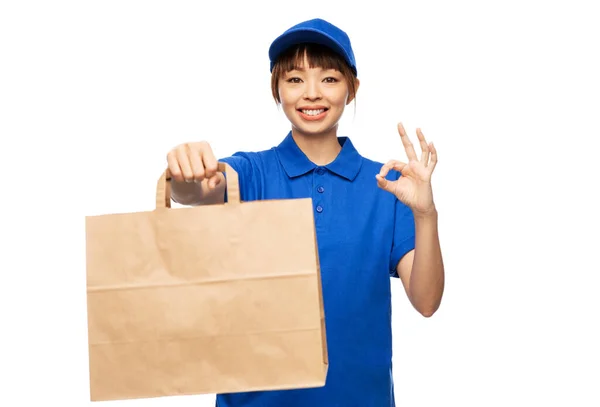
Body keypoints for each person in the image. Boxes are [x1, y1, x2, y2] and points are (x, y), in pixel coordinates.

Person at [166, 18, 444, 407]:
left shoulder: (386, 184)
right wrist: (185, 172)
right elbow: (198, 189)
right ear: (276, 90)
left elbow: (427, 302)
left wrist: (426, 213)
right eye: (295, 79)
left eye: (329, 79)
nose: (312, 94)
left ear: (352, 89)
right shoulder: (251, 172)